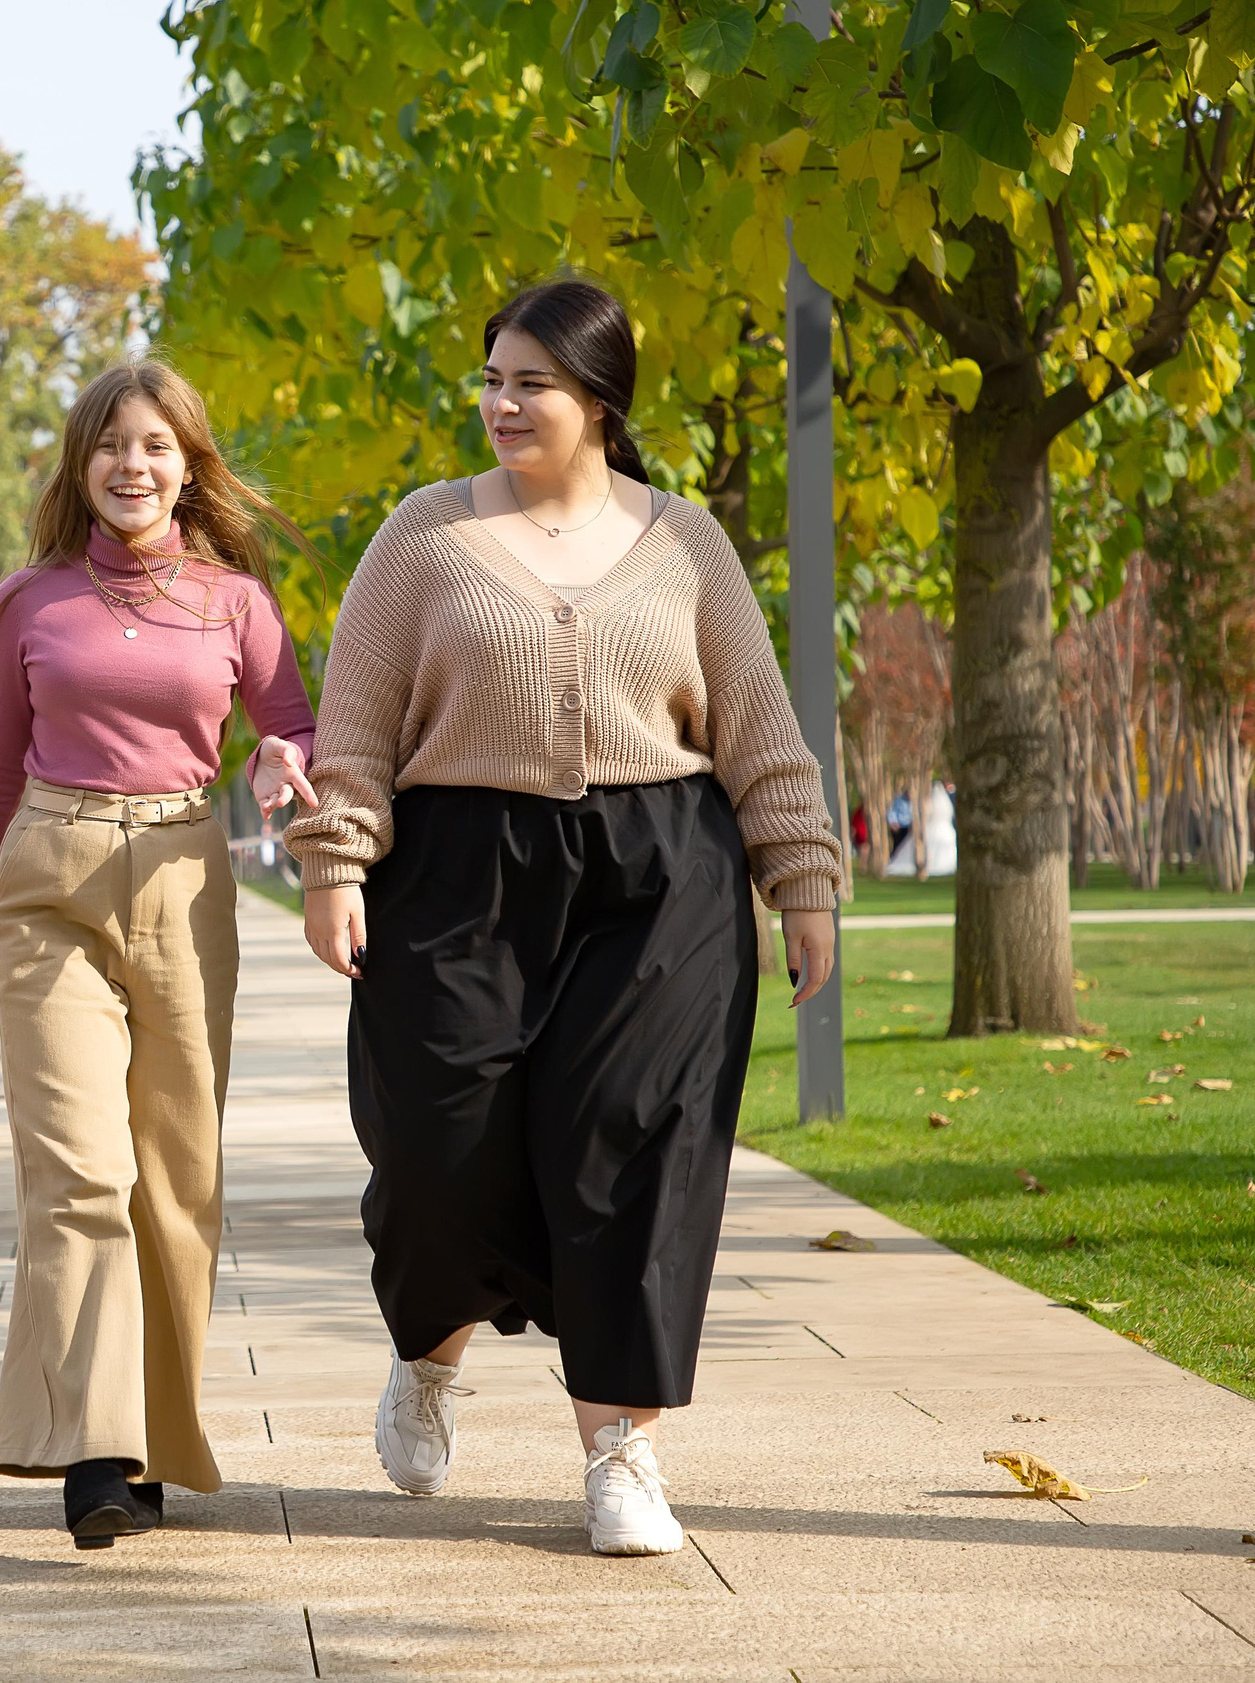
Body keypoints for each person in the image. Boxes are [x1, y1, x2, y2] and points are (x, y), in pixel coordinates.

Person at [284, 279, 841, 1558]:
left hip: (661, 878)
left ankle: (622, 1453)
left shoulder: (685, 541)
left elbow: (756, 725)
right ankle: (427, 1357)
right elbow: (357, 726)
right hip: (458, 874)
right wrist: (333, 864)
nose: (500, 402)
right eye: (489, 379)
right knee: (435, 1147)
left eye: (528, 381)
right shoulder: (420, 538)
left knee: (633, 1147)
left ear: (599, 399)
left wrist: (798, 879)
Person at [0, 358, 318, 1548]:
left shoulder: (236, 603)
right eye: (109, 445)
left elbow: (292, 727)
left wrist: (277, 764)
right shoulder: (30, 601)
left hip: (180, 873)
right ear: (81, 465)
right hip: (49, 879)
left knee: (175, 1177)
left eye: (154, 445)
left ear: (188, 464)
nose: (131, 466)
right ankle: (95, 1451)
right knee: (79, 1172)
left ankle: (154, 1438)